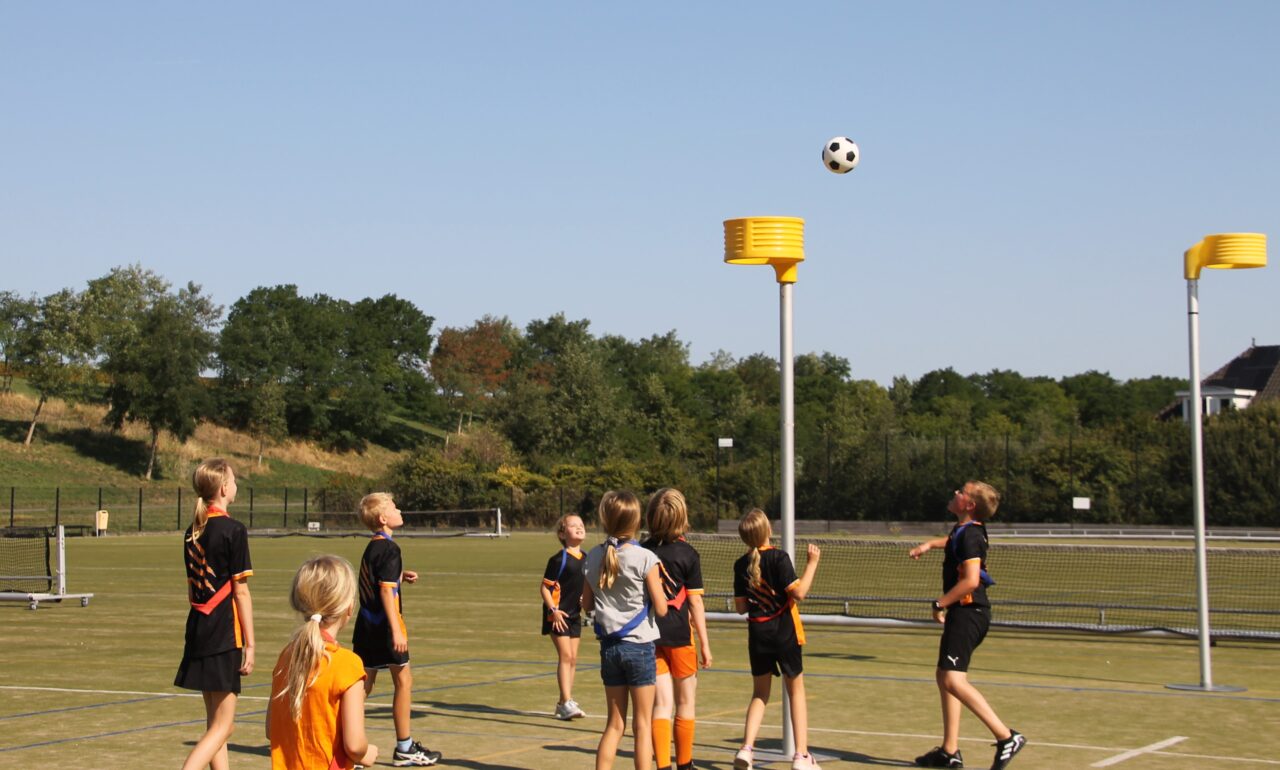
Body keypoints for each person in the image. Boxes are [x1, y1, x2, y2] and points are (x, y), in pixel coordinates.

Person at [908, 481, 1026, 770]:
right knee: (944, 676)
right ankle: (949, 752)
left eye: (961, 492)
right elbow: (952, 542)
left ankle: (1006, 737)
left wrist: (940, 603)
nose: (955, 493)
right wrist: (929, 544)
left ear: (970, 505)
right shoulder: (963, 530)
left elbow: (971, 581)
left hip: (969, 612)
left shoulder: (972, 534)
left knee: (953, 680)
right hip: (964, 611)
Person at [351, 492, 442, 767]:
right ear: (383, 518)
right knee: (404, 681)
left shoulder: (373, 547)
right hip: (385, 626)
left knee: (362, 687)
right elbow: (384, 591)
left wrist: (400, 576)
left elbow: (379, 579)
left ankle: (345, 744)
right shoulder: (391, 549)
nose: (399, 510)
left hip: (366, 625)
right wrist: (396, 630)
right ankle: (404, 747)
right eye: (394, 507)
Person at [176, 458, 256, 770]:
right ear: (223, 488)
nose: (236, 485)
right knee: (225, 726)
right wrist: (251, 643)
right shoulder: (234, 530)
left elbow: (192, 589)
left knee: (214, 723)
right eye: (233, 480)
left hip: (199, 628)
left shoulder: (192, 531)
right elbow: (241, 592)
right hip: (224, 632)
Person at [581, 490, 669, 770]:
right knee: (642, 726)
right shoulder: (645, 558)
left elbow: (586, 604)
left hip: (609, 648)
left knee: (614, 724)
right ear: (637, 521)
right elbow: (662, 608)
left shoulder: (594, 556)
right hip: (640, 647)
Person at [267, 555, 378, 769]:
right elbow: (354, 745)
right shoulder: (347, 664)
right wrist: (366, 753)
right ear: (349, 607)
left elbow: (271, 728)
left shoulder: (287, 656)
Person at [732, 508, 821, 770]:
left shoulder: (740, 565)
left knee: (760, 693)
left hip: (758, 635)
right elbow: (799, 593)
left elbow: (741, 607)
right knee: (796, 692)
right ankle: (801, 755)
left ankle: (746, 749)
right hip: (784, 633)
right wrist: (812, 563)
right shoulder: (779, 558)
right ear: (768, 530)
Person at [641, 488, 713, 770]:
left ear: (650, 517)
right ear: (682, 517)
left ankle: (662, 765)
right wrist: (705, 644)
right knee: (685, 702)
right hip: (681, 636)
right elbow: (695, 603)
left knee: (661, 704)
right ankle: (684, 764)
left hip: (649, 635)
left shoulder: (642, 550)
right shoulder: (688, 554)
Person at [540, 513, 588, 720]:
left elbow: (583, 587)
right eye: (573, 525)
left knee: (573, 658)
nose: (579, 527)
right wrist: (553, 610)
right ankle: (566, 701)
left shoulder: (587, 558)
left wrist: (585, 599)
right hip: (557, 615)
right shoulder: (558, 559)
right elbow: (544, 588)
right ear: (562, 533)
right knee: (566, 656)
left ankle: (563, 703)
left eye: (581, 524)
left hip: (574, 614)